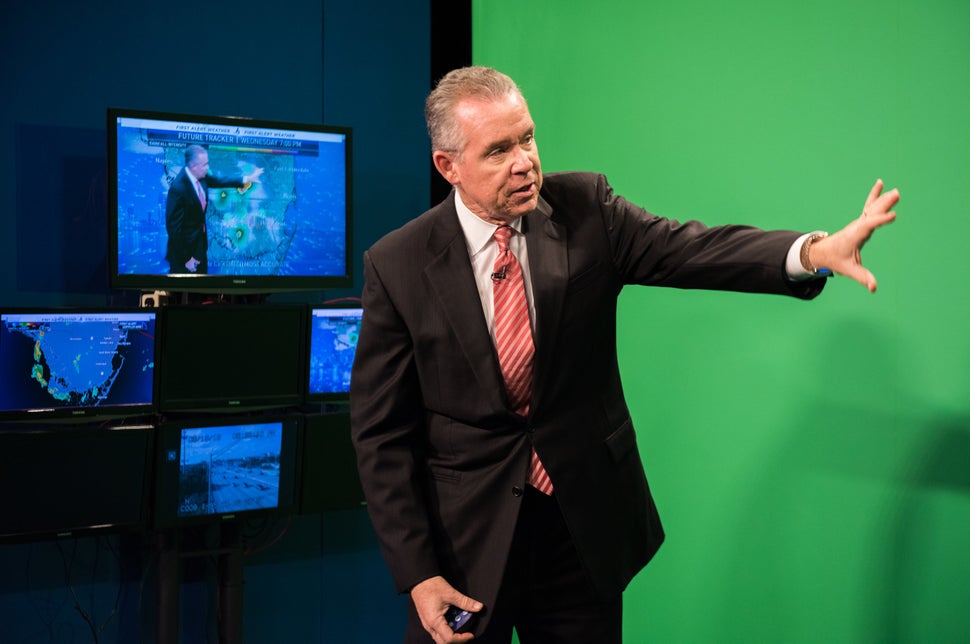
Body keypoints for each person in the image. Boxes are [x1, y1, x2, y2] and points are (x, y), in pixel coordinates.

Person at [349, 66, 899, 644]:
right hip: (465, 541)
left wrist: (813, 252)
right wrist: (418, 574)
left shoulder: (586, 207)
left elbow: (694, 250)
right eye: (498, 150)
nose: (524, 162)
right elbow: (381, 434)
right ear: (448, 166)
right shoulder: (398, 264)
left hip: (580, 529)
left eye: (527, 138)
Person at [165, 144, 263, 274]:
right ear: (193, 166)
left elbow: (220, 180)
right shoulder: (178, 189)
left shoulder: (201, 176)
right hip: (184, 255)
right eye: (204, 165)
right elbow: (174, 230)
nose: (207, 167)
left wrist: (246, 179)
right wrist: (186, 258)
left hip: (199, 248)